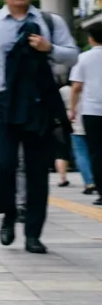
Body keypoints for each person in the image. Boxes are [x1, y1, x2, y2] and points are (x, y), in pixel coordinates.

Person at [0, 0, 78, 254]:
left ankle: (33, 233)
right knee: (1, 165)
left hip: (38, 103)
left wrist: (48, 48)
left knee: (37, 169)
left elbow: (73, 56)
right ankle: (8, 213)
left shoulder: (49, 22)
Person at [69, 22, 102, 206]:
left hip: (91, 111)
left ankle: (101, 191)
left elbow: (76, 87)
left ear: (90, 39)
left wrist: (72, 109)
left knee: (96, 153)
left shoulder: (84, 58)